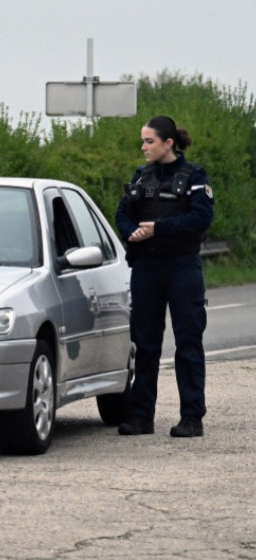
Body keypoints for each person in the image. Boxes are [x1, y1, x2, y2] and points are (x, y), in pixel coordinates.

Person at [115, 115, 214, 438]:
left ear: (168, 143)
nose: (144, 147)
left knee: (187, 342)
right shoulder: (141, 176)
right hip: (147, 267)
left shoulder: (194, 175)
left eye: (149, 141)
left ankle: (192, 417)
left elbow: (201, 217)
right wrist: (132, 233)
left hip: (182, 267)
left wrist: (158, 228)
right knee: (145, 343)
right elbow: (122, 214)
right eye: (142, 141)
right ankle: (141, 417)